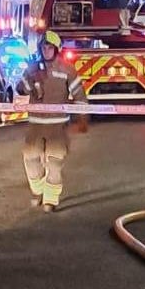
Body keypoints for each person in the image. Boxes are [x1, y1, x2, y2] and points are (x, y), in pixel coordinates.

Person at [16, 31, 87, 212]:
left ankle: (50, 200)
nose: (46, 51)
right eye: (44, 47)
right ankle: (38, 191)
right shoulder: (32, 68)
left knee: (54, 163)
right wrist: (31, 79)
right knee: (31, 159)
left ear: (57, 49)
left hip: (58, 127)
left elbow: (79, 95)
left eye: (50, 47)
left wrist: (83, 118)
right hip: (35, 126)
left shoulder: (67, 70)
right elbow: (20, 89)